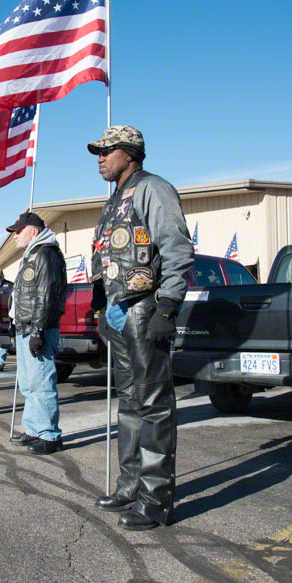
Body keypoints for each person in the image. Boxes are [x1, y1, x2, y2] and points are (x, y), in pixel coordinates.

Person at [88, 125, 193, 532]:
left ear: (129, 152)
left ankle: (156, 500)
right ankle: (130, 486)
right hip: (118, 311)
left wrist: (168, 306)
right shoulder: (114, 199)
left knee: (153, 404)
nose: (99, 157)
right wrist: (100, 301)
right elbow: (106, 251)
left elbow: (177, 247)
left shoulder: (154, 189)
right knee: (129, 402)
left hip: (145, 308)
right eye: (97, 151)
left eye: (106, 150)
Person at [5, 212, 67, 455]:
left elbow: (47, 295)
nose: (15, 236)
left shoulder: (46, 254)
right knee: (28, 384)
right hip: (25, 326)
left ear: (33, 230)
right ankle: (33, 429)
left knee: (41, 382)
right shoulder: (32, 255)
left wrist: (38, 331)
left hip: (38, 328)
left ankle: (49, 435)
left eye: (18, 231)